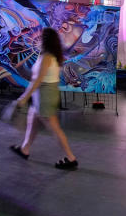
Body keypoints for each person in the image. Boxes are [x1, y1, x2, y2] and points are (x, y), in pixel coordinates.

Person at [10, 27, 78, 170]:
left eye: (41, 37)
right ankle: (25, 149)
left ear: (46, 40)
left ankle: (71, 158)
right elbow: (35, 77)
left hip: (45, 96)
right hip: (43, 95)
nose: (38, 39)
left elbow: (38, 80)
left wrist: (24, 97)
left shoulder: (47, 57)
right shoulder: (47, 55)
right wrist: (21, 69)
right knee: (32, 121)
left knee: (54, 129)